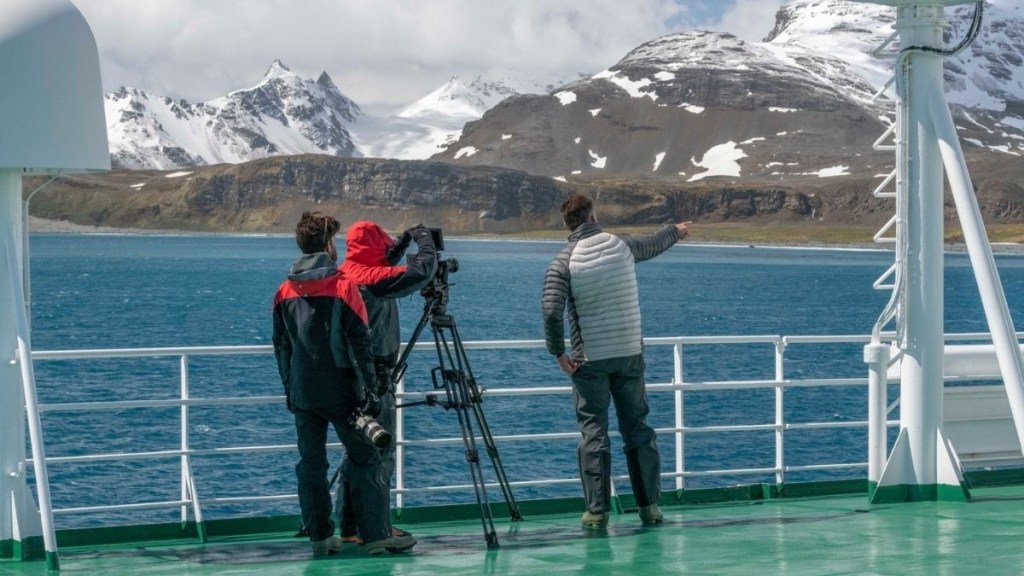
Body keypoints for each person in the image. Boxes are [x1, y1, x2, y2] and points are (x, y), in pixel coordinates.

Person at [541, 194, 690, 529]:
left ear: (568, 224)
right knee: (638, 429)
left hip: (588, 360)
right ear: (593, 216)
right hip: (629, 353)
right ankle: (649, 507)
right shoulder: (622, 246)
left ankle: (597, 512)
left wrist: (558, 353)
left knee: (594, 432)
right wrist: (675, 230)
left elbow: (551, 311)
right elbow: (653, 243)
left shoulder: (563, 262)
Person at [272, 211, 416, 556]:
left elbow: (282, 347)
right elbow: (360, 344)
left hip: (304, 393)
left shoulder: (284, 291)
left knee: (311, 465)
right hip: (344, 393)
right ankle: (376, 534)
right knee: (367, 458)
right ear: (326, 245)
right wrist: (368, 391)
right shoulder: (342, 287)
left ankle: (321, 536)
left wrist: (290, 388)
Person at [335, 220, 437, 544]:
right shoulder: (374, 282)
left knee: (356, 453)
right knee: (379, 455)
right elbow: (419, 273)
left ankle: (349, 528)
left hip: (347, 376)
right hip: (375, 378)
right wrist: (424, 241)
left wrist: (403, 243)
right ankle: (377, 530)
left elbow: (380, 265)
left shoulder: (347, 274)